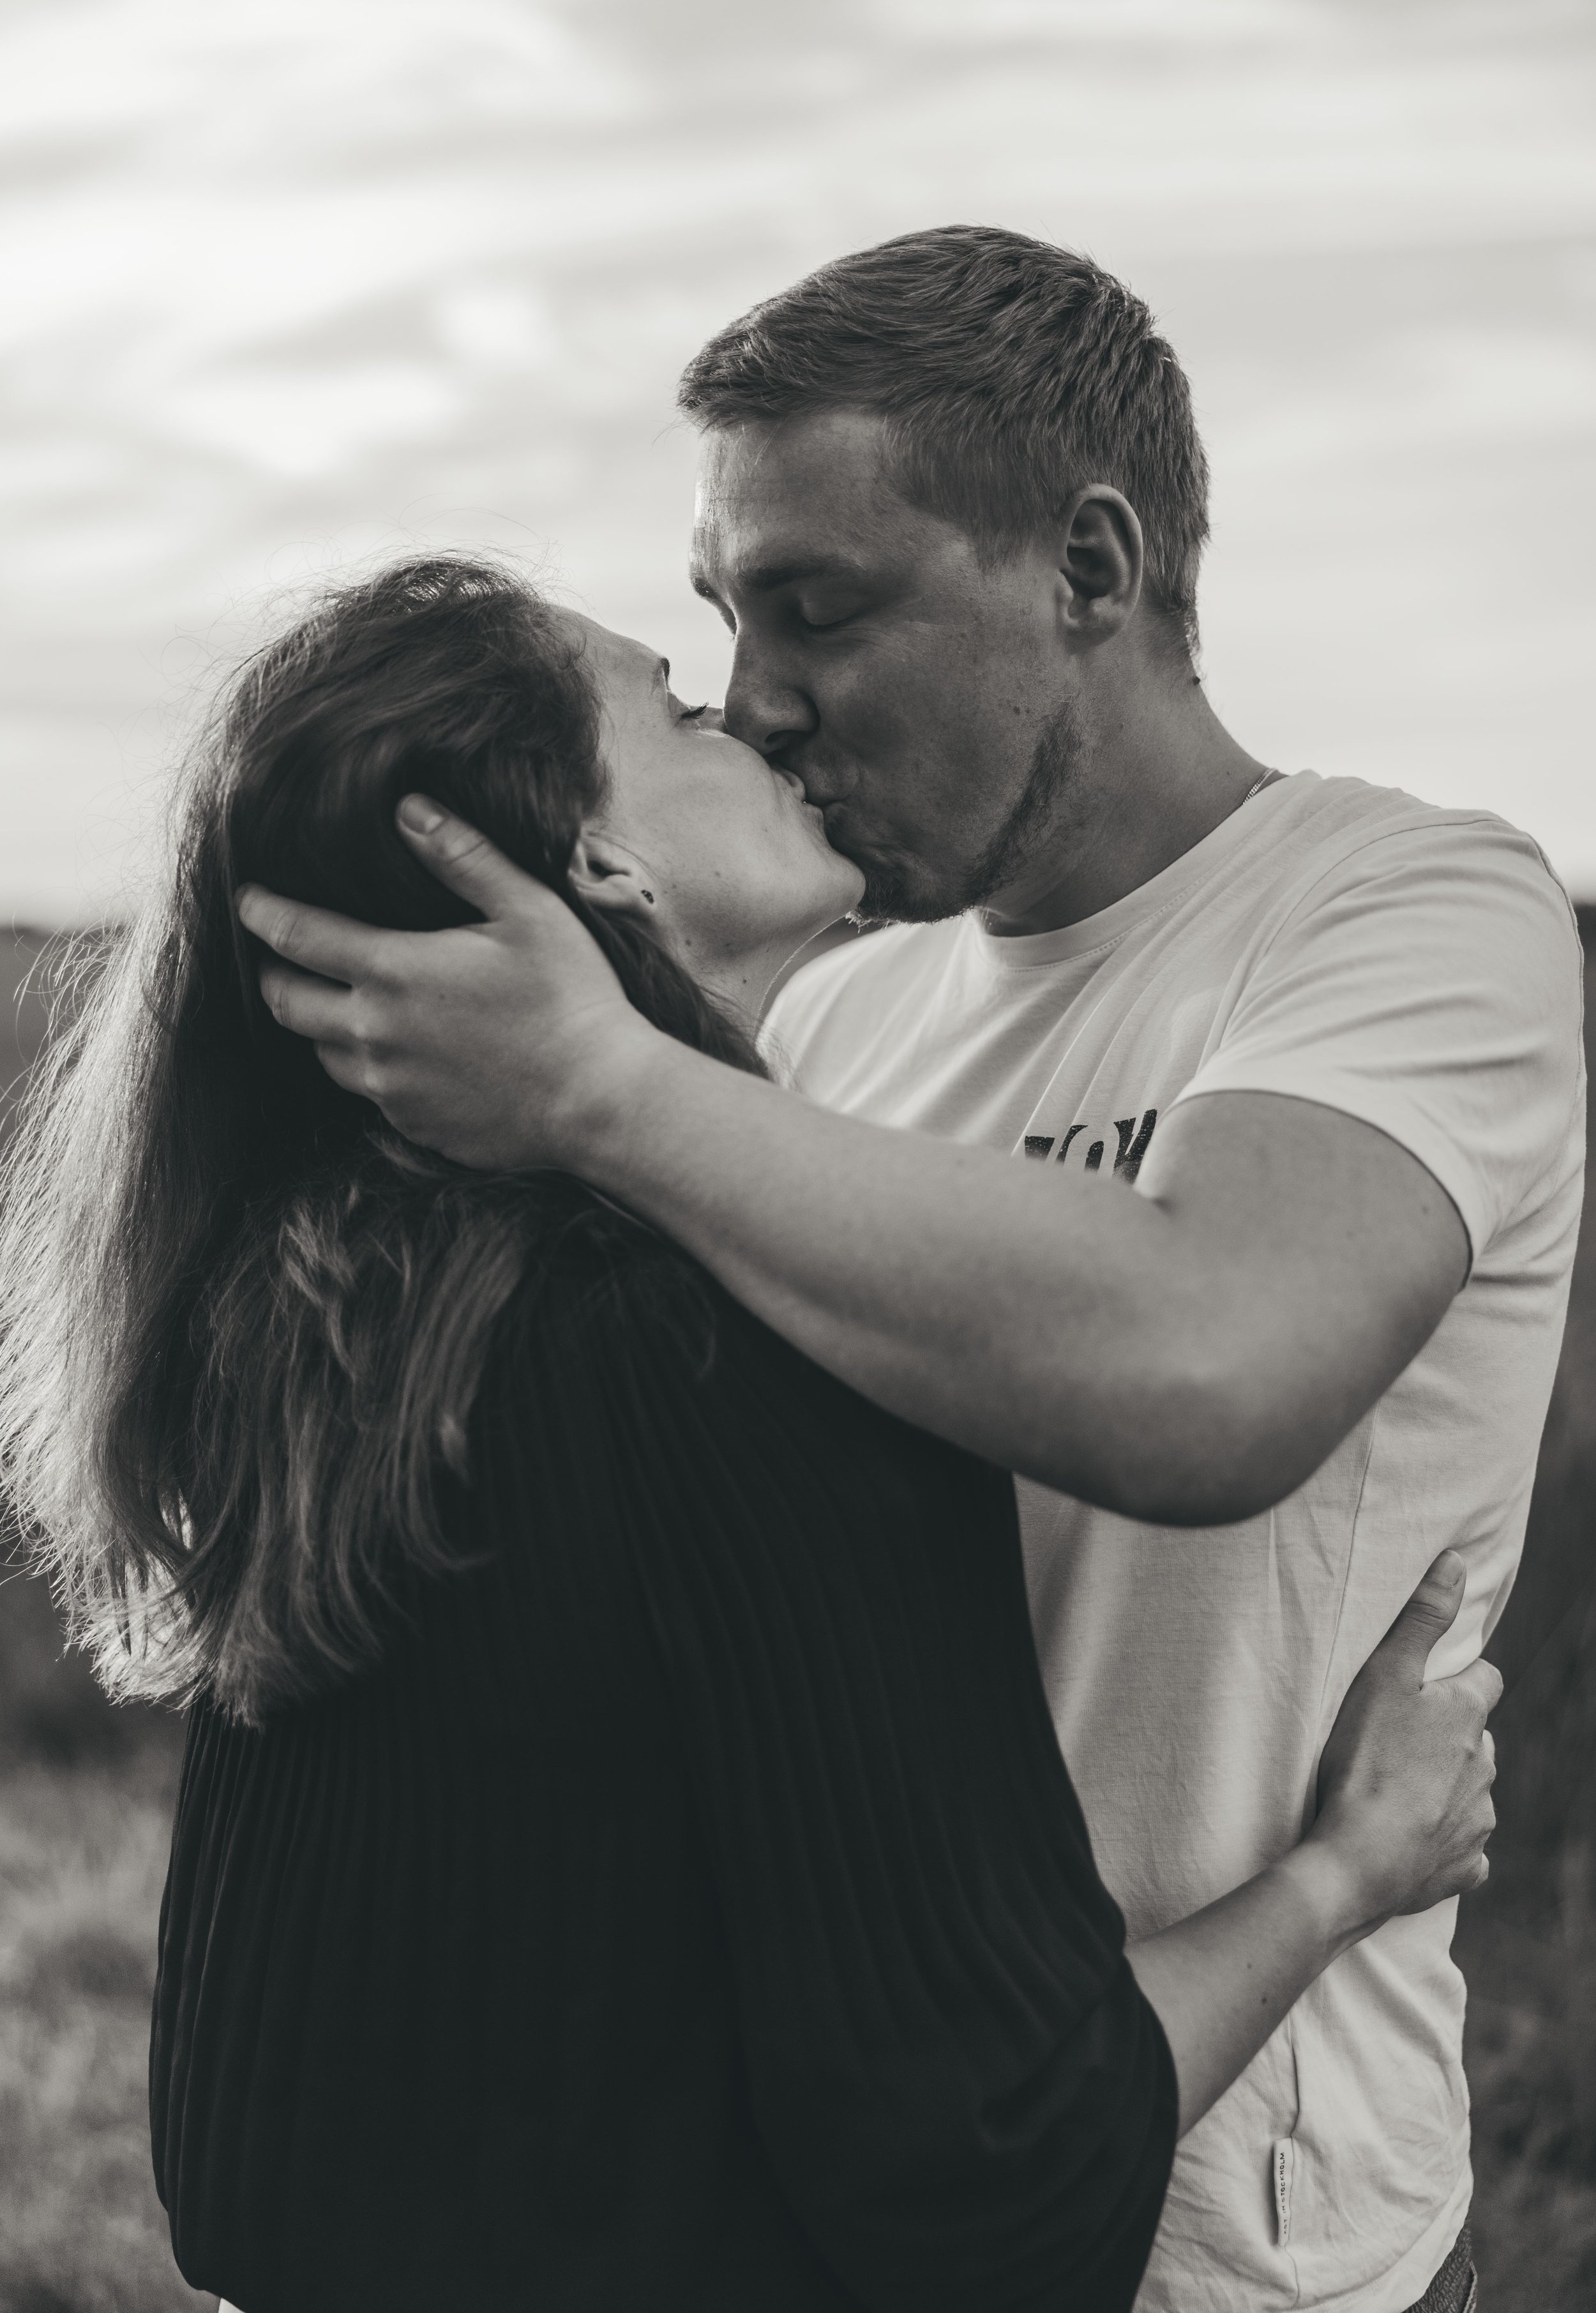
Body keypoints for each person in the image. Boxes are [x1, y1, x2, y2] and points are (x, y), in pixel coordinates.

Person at [238, 230, 1585, 2313]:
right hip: (840, 2216)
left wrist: (600, 1085)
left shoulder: (1409, 914)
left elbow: (1211, 1369)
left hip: (1245, 2240)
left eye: (820, 607)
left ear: (1092, 568)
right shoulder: (823, 1032)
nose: (761, 697)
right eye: (720, 623)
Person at [0, 559, 1498, 2313]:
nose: (758, 712)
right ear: (598, 868)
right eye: (682, 707)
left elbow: (268, 2139)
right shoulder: (722, 1352)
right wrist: (1345, 1871)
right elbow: (998, 2175)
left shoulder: (323, 1329)